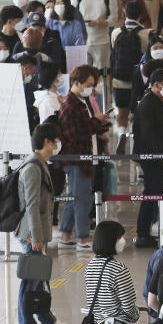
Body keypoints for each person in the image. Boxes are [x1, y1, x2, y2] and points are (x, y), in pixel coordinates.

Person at [15, 122, 68, 324]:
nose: (58, 145)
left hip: (38, 232)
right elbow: (32, 205)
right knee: (31, 279)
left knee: (40, 278)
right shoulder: (32, 167)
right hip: (31, 233)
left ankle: (46, 319)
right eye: (55, 141)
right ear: (47, 142)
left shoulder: (41, 163)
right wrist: (36, 237)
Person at [59, 65, 109, 249]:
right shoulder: (70, 105)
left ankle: (65, 233)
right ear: (77, 83)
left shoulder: (83, 101)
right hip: (77, 159)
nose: (91, 88)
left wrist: (100, 124)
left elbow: (88, 126)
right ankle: (82, 238)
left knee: (75, 196)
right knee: (82, 199)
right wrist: (97, 122)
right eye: (88, 84)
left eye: (93, 85)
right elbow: (77, 133)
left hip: (87, 156)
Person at [132, 69, 163, 248]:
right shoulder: (148, 104)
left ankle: (151, 229)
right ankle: (142, 232)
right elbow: (150, 134)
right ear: (157, 85)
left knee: (155, 191)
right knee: (152, 192)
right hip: (152, 156)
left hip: (159, 155)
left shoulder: (159, 101)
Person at [111, 2, 152, 135]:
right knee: (138, 112)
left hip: (119, 80)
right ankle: (135, 140)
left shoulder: (116, 32)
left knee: (122, 112)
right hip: (138, 81)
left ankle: (122, 135)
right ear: (141, 15)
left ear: (124, 14)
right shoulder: (147, 34)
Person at [75, 0, 119, 71]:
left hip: (101, 42)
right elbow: (73, 15)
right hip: (82, 42)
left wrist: (99, 22)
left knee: (103, 74)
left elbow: (113, 19)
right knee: (83, 74)